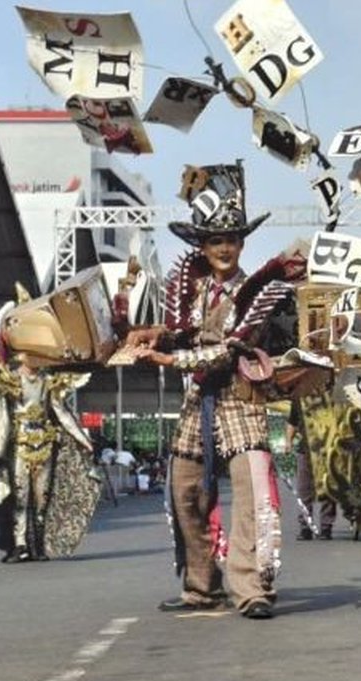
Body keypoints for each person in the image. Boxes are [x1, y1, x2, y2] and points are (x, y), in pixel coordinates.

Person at [127, 160, 283, 620]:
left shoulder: (258, 291)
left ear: (242, 243)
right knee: (185, 491)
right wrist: (154, 335)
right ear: (203, 245)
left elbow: (227, 352)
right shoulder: (190, 291)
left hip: (241, 399)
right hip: (199, 403)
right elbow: (185, 332)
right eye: (216, 240)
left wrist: (168, 359)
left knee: (253, 494)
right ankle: (201, 586)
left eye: (232, 239)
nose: (225, 248)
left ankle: (251, 588)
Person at [0, 307, 100, 564]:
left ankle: (39, 544)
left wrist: (83, 440)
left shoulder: (47, 382)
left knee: (42, 498)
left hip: (46, 445)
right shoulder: (10, 381)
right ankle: (19, 545)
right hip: (20, 445)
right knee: (20, 496)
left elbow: (61, 413)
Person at [285, 400, 336, 541]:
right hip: (305, 449)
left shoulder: (330, 396)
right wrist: (288, 441)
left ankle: (326, 527)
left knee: (327, 488)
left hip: (327, 449)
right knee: (304, 490)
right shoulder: (299, 398)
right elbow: (293, 421)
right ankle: (305, 527)